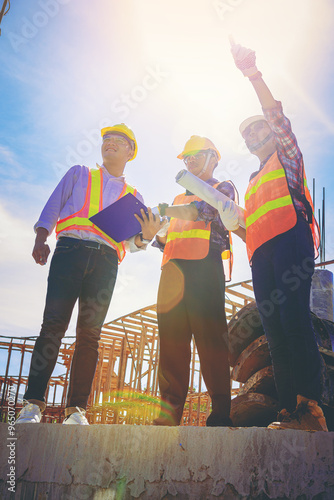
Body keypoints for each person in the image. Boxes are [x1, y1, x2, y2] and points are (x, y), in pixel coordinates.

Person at [16, 123, 165, 425]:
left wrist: (147, 236)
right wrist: (40, 238)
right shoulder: (79, 173)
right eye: (106, 140)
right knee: (53, 325)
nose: (110, 143)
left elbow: (131, 243)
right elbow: (53, 206)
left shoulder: (133, 195)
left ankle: (76, 410)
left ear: (130, 151)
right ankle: (32, 405)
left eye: (117, 141)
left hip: (106, 261)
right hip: (70, 251)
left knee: (90, 335)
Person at [220, 41, 328, 431]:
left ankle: (310, 407)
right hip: (261, 254)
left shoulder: (287, 157)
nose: (252, 135)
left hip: (291, 242)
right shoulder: (251, 179)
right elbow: (254, 224)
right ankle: (289, 410)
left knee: (294, 320)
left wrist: (253, 74)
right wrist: (234, 222)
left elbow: (277, 114)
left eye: (257, 128)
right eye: (246, 134)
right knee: (275, 330)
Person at [153, 135, 240, 427]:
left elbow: (202, 213)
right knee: (172, 344)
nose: (189, 161)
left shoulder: (221, 188)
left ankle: (221, 412)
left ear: (213, 157)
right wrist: (151, 227)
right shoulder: (177, 198)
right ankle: (169, 415)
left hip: (204, 267)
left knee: (211, 340)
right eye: (186, 157)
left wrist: (163, 211)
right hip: (172, 271)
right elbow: (163, 239)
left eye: (195, 155)